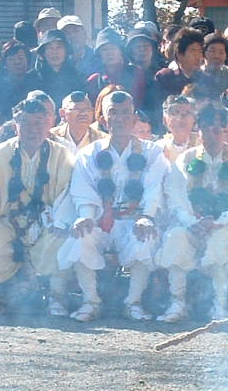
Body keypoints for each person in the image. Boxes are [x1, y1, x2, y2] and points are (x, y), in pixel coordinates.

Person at [58, 89, 167, 322]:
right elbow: (83, 190)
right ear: (103, 120)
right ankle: (91, 301)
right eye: (113, 113)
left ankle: (133, 302)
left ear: (134, 118)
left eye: (125, 113)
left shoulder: (152, 152)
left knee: (145, 236)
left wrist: (147, 216)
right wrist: (86, 215)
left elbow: (153, 187)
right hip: (101, 220)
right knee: (81, 236)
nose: (119, 119)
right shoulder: (89, 154)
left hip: (134, 219)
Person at [0, 93, 76, 317]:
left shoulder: (62, 154)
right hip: (8, 221)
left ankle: (57, 297)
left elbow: (69, 192)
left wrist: (60, 219)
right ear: (16, 126)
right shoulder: (1, 153)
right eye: (26, 123)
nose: (33, 128)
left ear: (49, 125)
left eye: (39, 123)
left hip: (47, 221)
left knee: (62, 235)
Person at [157, 104, 228, 322]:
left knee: (221, 238)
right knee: (175, 237)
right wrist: (191, 222)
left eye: (217, 130)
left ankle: (220, 304)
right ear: (199, 131)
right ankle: (177, 302)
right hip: (193, 226)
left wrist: (222, 221)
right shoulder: (186, 159)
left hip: (226, 226)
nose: (212, 135)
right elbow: (175, 197)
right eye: (207, 129)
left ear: (225, 131)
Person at [153, 28, 205, 100]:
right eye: (193, 51)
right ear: (179, 55)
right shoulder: (165, 77)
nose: (198, 57)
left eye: (200, 52)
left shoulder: (206, 79)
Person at [195, 33, 228, 101]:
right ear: (203, 52)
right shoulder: (195, 74)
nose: (217, 56)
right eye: (212, 51)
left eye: (221, 52)